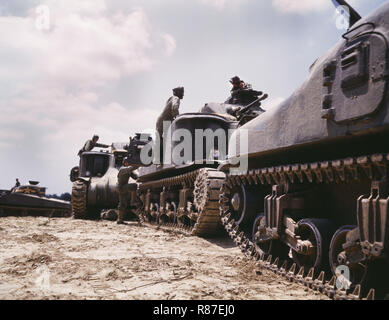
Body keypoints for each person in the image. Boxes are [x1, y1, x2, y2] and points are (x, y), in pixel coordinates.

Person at [155, 87, 184, 162]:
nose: (183, 94)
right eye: (182, 92)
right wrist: (178, 118)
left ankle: (161, 159)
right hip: (165, 121)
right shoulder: (176, 98)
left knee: (163, 139)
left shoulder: (171, 98)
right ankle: (162, 159)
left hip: (161, 121)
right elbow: (174, 108)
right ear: (177, 93)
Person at [117, 157, 139, 224]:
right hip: (121, 187)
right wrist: (139, 164)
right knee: (134, 186)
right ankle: (133, 202)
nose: (128, 163)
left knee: (122, 204)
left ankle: (119, 220)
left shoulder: (128, 170)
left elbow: (135, 176)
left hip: (123, 187)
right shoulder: (122, 169)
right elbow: (130, 168)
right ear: (124, 163)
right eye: (127, 162)